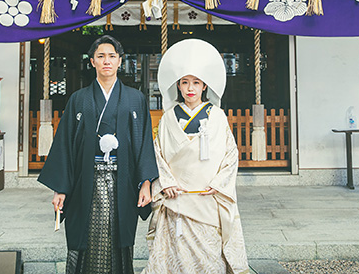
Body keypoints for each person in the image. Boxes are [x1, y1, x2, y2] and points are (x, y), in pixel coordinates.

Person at [39, 35, 158, 274]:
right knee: (87, 233)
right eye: (101, 56)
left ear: (120, 61)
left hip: (123, 179)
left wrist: (146, 183)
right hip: (86, 179)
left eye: (112, 56)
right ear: (92, 61)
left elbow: (145, 143)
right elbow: (65, 145)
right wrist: (61, 188)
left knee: (119, 235)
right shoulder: (78, 99)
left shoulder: (136, 99)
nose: (107, 61)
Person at [143, 38, 249, 274]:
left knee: (209, 256)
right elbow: (157, 153)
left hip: (207, 196)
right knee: (174, 254)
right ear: (178, 86)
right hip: (176, 196)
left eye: (196, 82)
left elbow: (231, 154)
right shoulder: (169, 117)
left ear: (204, 86)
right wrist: (166, 182)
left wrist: (220, 184)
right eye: (185, 82)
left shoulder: (218, 116)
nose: (190, 88)